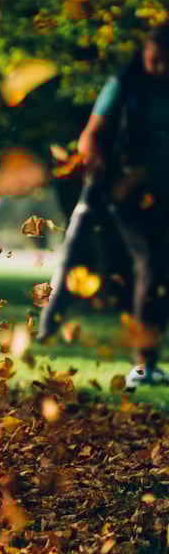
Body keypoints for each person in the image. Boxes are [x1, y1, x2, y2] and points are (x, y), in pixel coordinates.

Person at [46, 21, 169, 390]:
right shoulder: (125, 84)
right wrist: (96, 161)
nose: (159, 68)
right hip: (126, 189)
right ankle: (143, 364)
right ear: (144, 53)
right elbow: (92, 133)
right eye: (154, 59)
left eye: (165, 61)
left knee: (160, 270)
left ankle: (149, 359)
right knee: (152, 263)